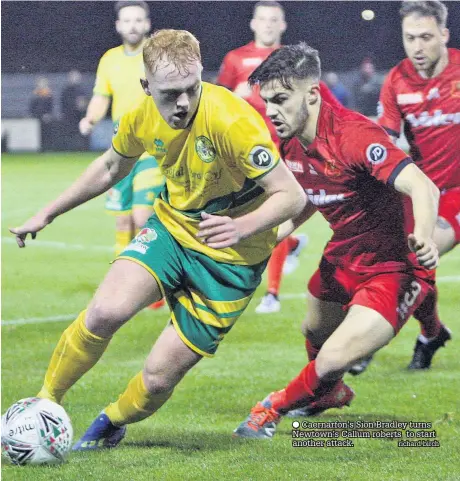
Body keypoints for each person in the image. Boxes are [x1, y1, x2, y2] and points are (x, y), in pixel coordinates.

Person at [10, 29, 306, 450]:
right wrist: (49, 211)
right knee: (104, 312)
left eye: (191, 89)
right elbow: (111, 167)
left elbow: (291, 194)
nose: (183, 102)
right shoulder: (140, 115)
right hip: (173, 228)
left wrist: (241, 227)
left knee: (158, 377)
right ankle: (45, 402)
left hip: (233, 260)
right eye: (170, 93)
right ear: (146, 87)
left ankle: (111, 421)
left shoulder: (231, 118)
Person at [232, 43, 440, 439]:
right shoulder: (291, 142)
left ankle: (272, 407)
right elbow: (306, 200)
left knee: (330, 358)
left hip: (395, 269)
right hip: (343, 256)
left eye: (280, 99)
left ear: (312, 95)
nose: (270, 110)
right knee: (313, 330)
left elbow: (422, 185)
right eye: (266, 101)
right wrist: (252, 239)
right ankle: (330, 394)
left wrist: (425, 237)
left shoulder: (355, 135)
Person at [350, 0, 455, 375]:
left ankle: (369, 341)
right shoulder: (396, 79)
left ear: (444, 35)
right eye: (410, 38)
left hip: (457, 193)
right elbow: (391, 142)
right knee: (405, 264)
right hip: (419, 190)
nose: (418, 47)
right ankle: (432, 332)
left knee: (418, 259)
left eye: (426, 37)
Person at [217, 0, 337, 314]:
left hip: (284, 152)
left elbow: (321, 99)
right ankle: (293, 245)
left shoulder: (292, 62)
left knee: (277, 215)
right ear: (253, 23)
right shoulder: (235, 60)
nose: (268, 24)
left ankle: (272, 293)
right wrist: (234, 96)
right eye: (263, 19)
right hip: (245, 154)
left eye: (275, 20)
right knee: (250, 217)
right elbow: (217, 104)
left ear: (283, 26)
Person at [79, 1, 165, 269]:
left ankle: (158, 274)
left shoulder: (157, 56)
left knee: (142, 217)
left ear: (148, 24)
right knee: (122, 219)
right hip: (120, 148)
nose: (132, 25)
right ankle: (121, 274)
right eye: (127, 21)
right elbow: (101, 96)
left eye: (138, 20)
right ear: (118, 26)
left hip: (152, 147)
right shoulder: (110, 59)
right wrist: (90, 118)